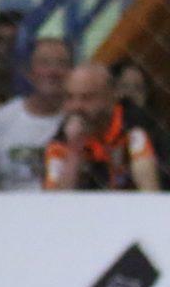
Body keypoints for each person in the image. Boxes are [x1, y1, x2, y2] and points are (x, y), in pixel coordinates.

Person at [46, 62, 163, 191]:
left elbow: (150, 191)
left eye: (87, 98)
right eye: (70, 97)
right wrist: (74, 150)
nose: (76, 106)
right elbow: (54, 201)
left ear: (111, 96)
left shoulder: (135, 124)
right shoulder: (62, 139)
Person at [0, 37, 69, 191]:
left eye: (61, 64)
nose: (53, 72)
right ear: (29, 72)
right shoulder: (1, 119)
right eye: (44, 63)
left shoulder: (77, 120)